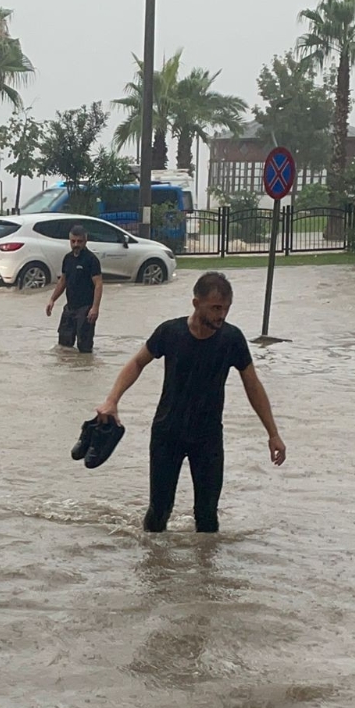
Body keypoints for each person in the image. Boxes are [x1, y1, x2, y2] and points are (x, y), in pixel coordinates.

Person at [94, 272, 286, 533]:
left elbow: (252, 384)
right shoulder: (170, 332)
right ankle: (154, 567)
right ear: (196, 303)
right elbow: (138, 362)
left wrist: (273, 433)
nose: (221, 315)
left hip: (207, 438)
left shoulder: (232, 339)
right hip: (167, 432)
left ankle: (206, 572)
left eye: (226, 309)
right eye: (216, 308)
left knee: (207, 516)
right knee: (159, 511)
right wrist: (112, 400)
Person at [45, 225, 103, 353]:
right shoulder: (68, 258)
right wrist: (52, 300)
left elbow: (98, 284)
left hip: (86, 309)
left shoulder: (91, 260)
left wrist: (95, 308)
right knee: (64, 347)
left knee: (84, 349)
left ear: (85, 241)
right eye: (73, 241)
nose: (76, 244)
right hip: (70, 308)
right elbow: (63, 281)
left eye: (79, 241)